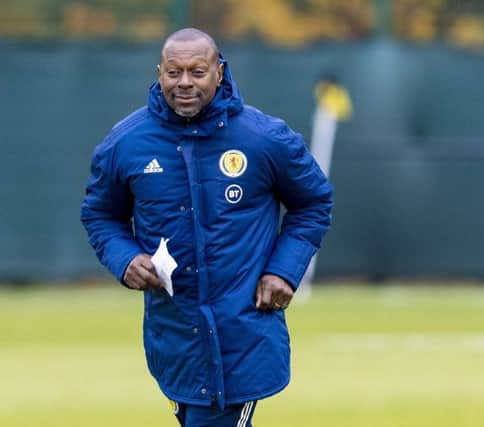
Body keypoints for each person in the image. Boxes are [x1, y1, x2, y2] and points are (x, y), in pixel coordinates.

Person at [81, 28, 333, 427]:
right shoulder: (126, 143)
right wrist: (126, 259)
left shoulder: (265, 138)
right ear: (158, 73)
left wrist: (283, 270)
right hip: (175, 334)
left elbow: (314, 202)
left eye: (197, 72)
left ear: (219, 72)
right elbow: (100, 215)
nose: (184, 83)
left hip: (242, 330)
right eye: (174, 72)